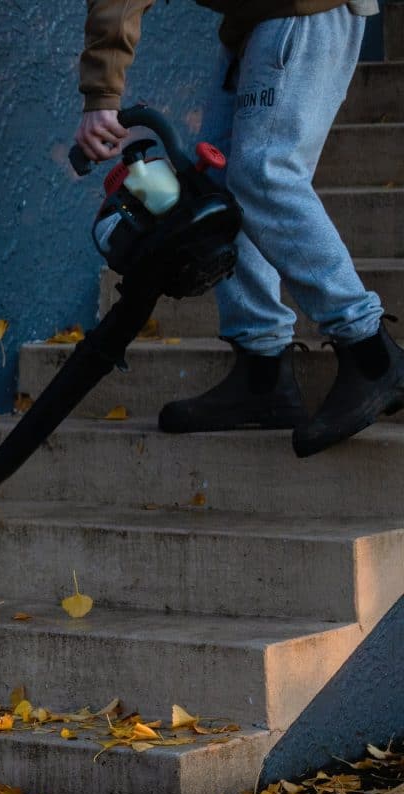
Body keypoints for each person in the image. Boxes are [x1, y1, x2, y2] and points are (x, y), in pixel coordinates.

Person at [74, 0, 404, 457]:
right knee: (219, 186)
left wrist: (102, 94)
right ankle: (262, 372)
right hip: (257, 20)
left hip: (301, 10)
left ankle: (371, 355)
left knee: (263, 173)